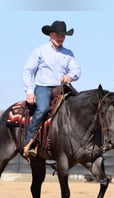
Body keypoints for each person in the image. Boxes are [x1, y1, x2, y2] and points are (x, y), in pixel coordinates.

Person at [22, 20, 81, 157]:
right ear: (51, 35)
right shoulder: (40, 51)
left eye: (63, 36)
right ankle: (29, 142)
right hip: (43, 87)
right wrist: (29, 91)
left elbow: (77, 70)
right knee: (42, 109)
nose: (60, 38)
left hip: (61, 88)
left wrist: (70, 76)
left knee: (76, 109)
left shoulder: (68, 53)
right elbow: (27, 70)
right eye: (58, 35)